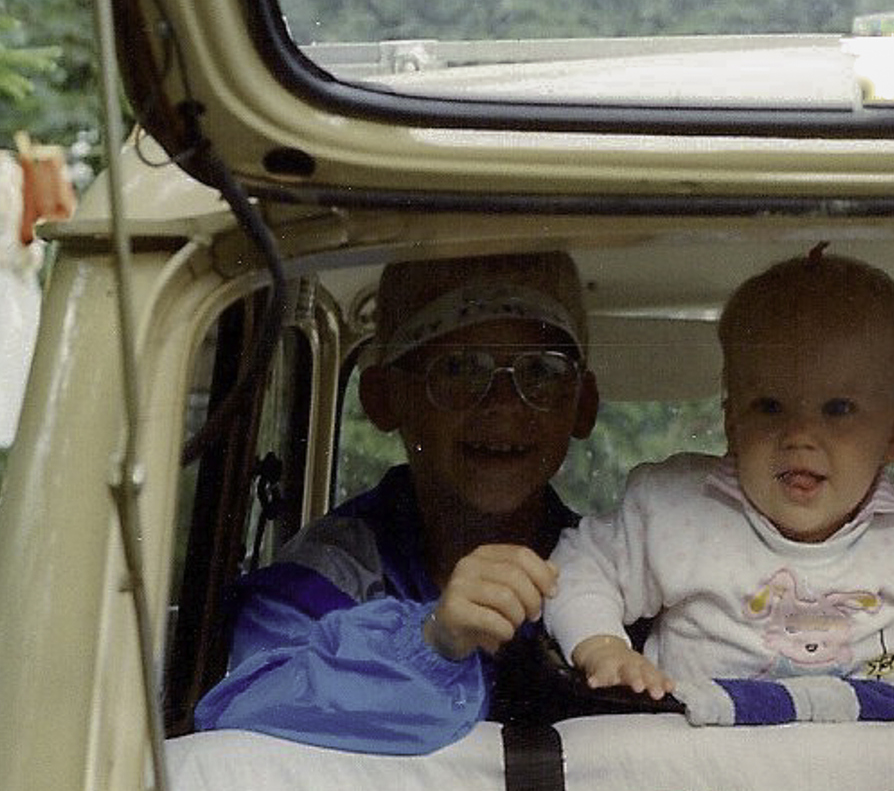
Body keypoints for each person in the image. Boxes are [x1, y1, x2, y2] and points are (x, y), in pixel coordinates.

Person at [544, 247, 894, 702]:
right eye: (769, 406)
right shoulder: (675, 511)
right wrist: (601, 645)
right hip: (704, 769)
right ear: (732, 424)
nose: (800, 435)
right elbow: (578, 565)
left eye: (838, 408)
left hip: (876, 773)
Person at [193, 251, 606, 753]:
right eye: (458, 369)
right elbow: (239, 706)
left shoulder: (615, 572)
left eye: (541, 371)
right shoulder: (324, 577)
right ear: (384, 398)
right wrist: (430, 643)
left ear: (583, 405)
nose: (503, 403)